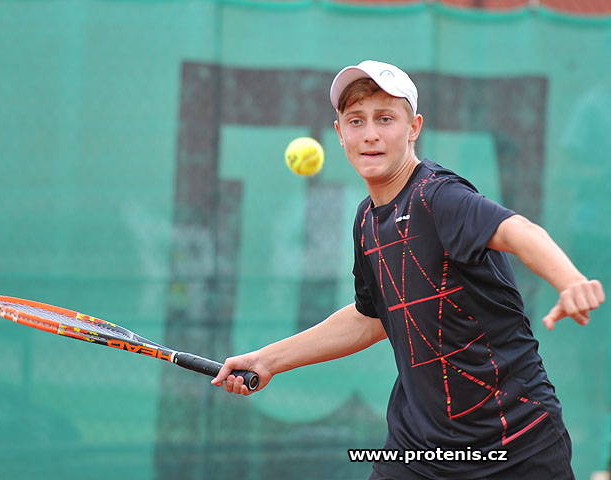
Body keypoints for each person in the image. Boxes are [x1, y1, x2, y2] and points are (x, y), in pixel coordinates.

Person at [211, 60, 605, 479]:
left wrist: (570, 280)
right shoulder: (367, 220)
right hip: (419, 448)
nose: (370, 134)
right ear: (340, 132)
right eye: (356, 121)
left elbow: (517, 230)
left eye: (385, 119)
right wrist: (267, 360)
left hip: (516, 443)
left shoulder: (439, 196)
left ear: (414, 127)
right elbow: (370, 318)